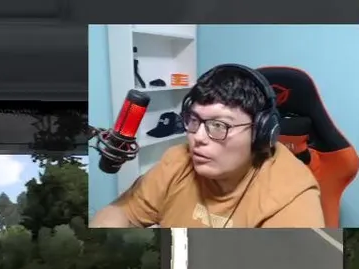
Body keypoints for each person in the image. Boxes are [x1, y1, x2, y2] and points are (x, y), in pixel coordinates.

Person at [91, 64, 325, 229]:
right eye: (194, 120)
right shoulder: (178, 161)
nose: (198, 137)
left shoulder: (292, 196)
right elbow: (121, 212)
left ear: (260, 134)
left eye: (219, 125)